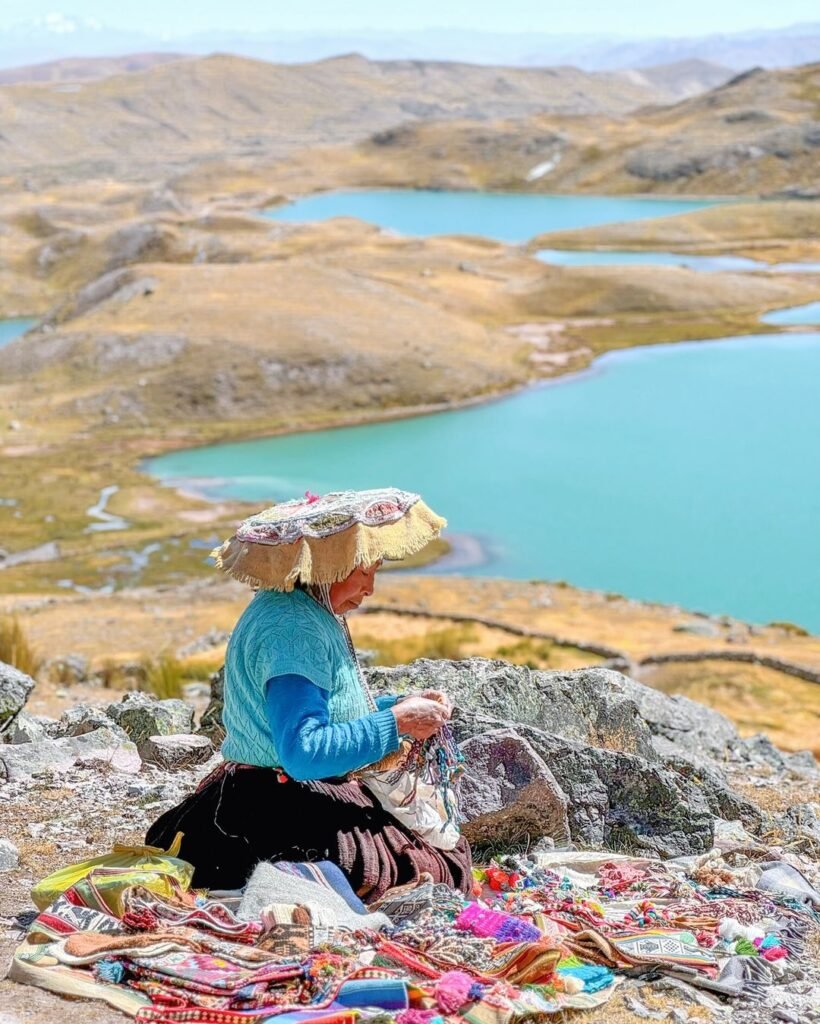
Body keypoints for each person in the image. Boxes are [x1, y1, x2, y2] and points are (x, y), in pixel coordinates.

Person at [146, 488, 472, 901]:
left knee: (443, 856)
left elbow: (329, 712)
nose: (370, 587)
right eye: (365, 571)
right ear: (330, 566)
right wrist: (399, 723)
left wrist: (400, 708)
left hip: (269, 791)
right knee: (438, 869)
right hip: (276, 806)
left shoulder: (300, 611)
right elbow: (303, 752)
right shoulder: (293, 631)